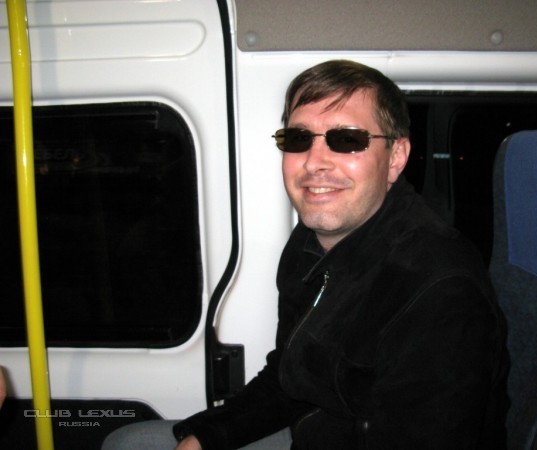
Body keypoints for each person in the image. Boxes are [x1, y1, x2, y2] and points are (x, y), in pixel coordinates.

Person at [103, 59, 509, 450]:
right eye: (299, 139)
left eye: (346, 139)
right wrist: (206, 436)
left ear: (395, 158)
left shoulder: (439, 290)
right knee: (128, 441)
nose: (315, 162)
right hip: (315, 430)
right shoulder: (309, 244)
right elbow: (290, 375)